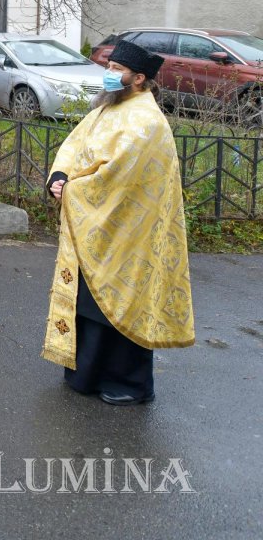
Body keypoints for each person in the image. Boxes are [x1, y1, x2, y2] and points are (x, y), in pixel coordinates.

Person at [42, 40, 195, 406]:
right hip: (95, 225)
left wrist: (73, 190)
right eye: (108, 68)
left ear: (139, 78)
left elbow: (118, 178)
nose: (108, 75)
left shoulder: (146, 121)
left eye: (116, 70)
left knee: (121, 301)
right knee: (89, 301)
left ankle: (131, 383)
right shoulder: (107, 108)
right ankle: (88, 375)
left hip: (129, 232)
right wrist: (59, 176)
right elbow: (74, 145)